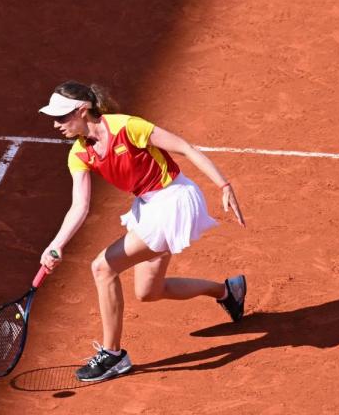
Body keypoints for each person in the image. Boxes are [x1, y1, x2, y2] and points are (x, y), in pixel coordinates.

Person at [38, 81, 247, 382]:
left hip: (173, 199)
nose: (56, 124)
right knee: (149, 291)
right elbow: (79, 206)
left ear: (83, 110)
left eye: (62, 117)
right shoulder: (79, 153)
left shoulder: (126, 127)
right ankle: (228, 291)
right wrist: (56, 244)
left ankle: (113, 355)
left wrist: (224, 185)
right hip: (148, 207)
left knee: (102, 267)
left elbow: (185, 148)